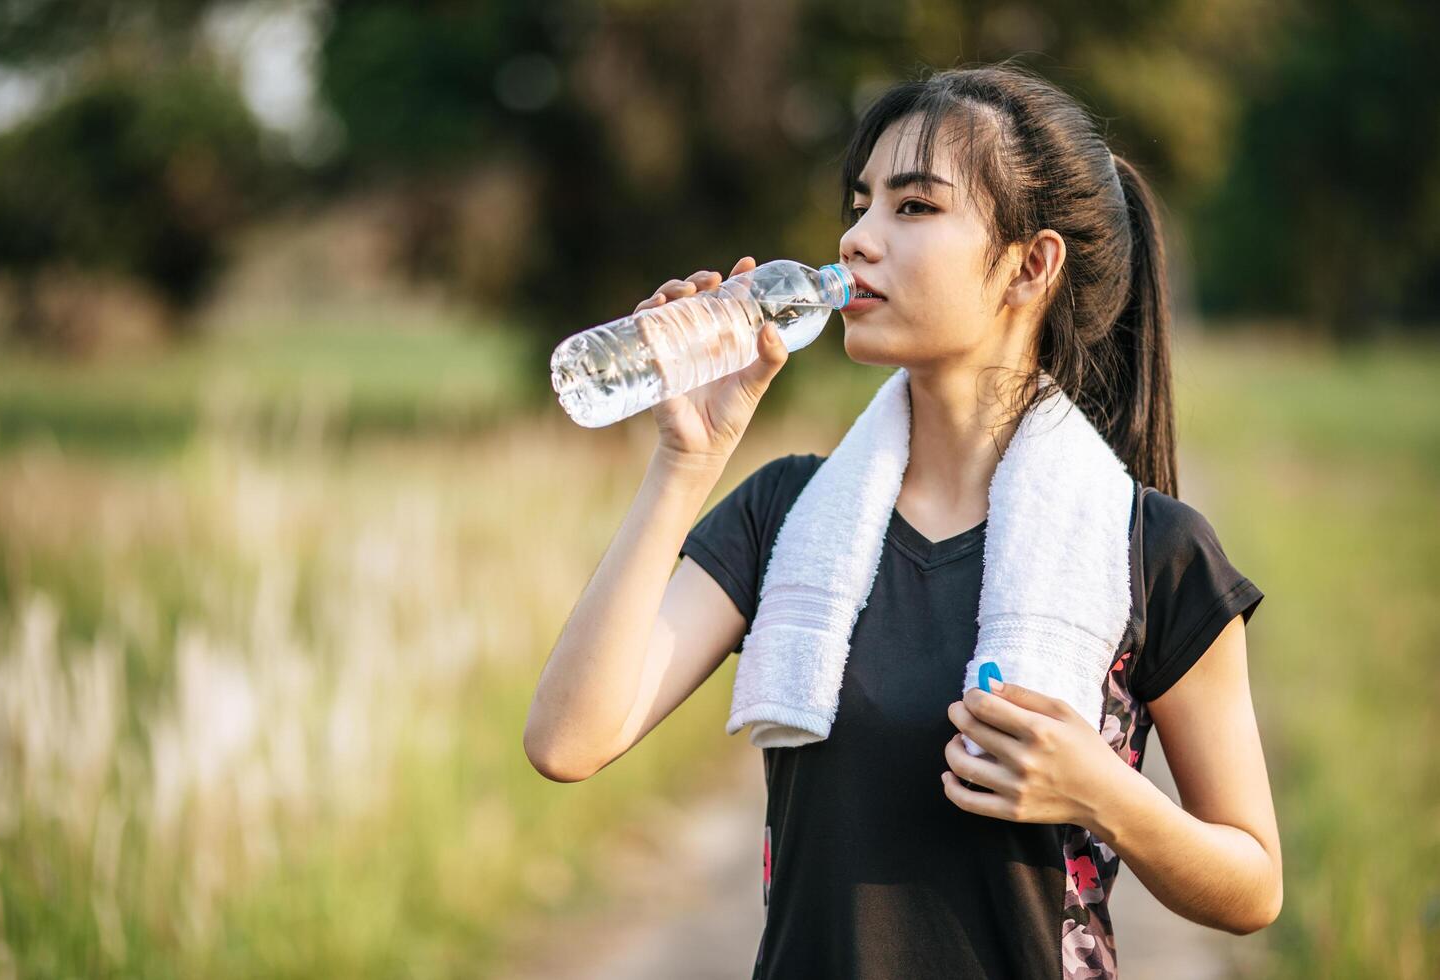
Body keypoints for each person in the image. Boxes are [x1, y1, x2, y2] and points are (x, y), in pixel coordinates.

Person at [524, 61, 1282, 979]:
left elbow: (1252, 887)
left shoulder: (1151, 550)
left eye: (912, 207)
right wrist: (687, 458)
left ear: (1030, 265)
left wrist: (1103, 792)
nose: (856, 239)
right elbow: (568, 742)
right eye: (860, 202)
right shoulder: (786, 512)